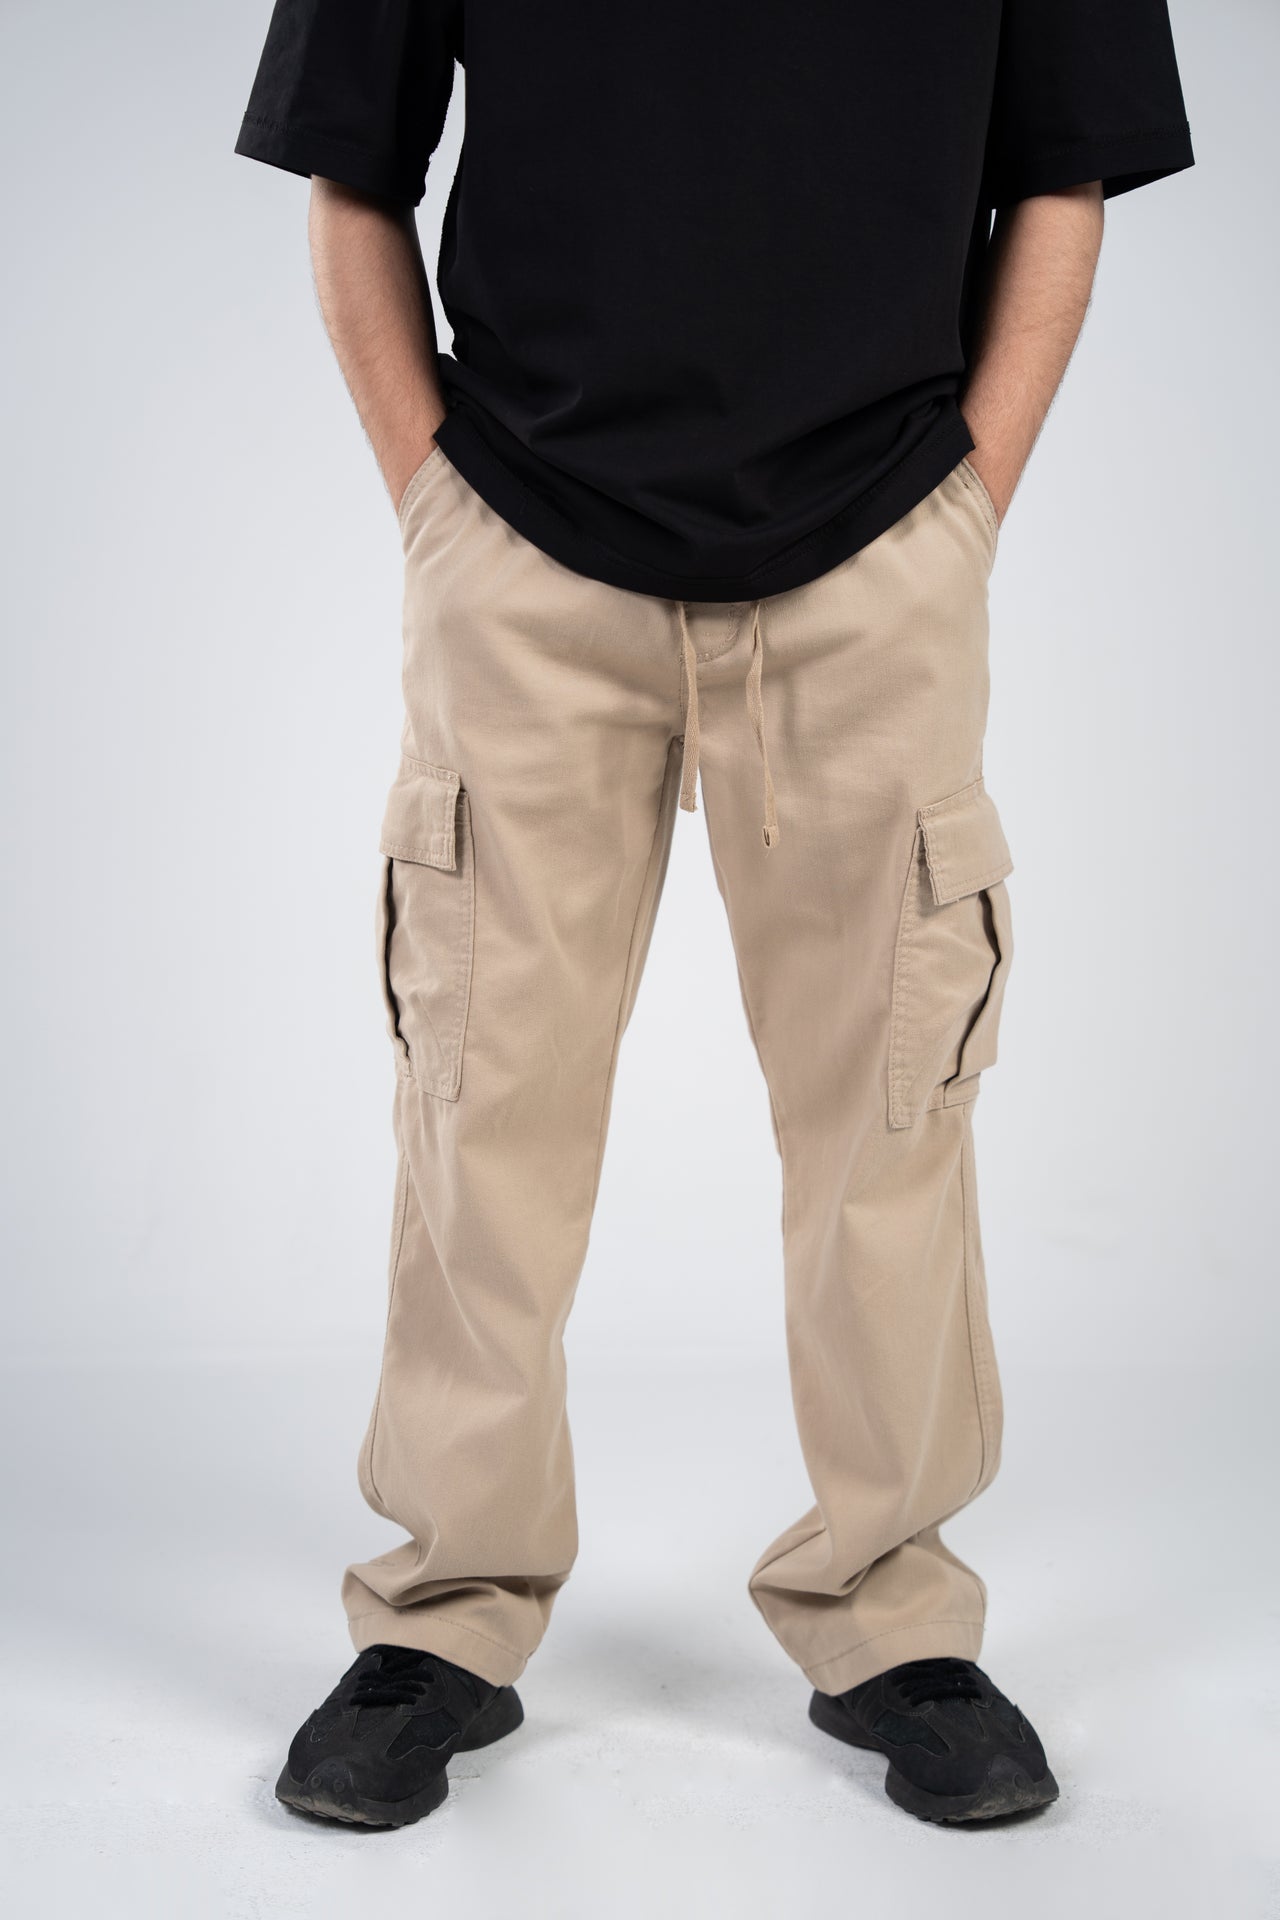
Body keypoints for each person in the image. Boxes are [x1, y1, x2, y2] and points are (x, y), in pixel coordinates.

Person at [235, 0, 1193, 1830]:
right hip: (522, 550)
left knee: (893, 1116)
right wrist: (436, 506)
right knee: (479, 1109)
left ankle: (894, 1615)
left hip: (877, 552)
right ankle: (445, 1613)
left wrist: (963, 510)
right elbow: (350, 167)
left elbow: (1065, 173)